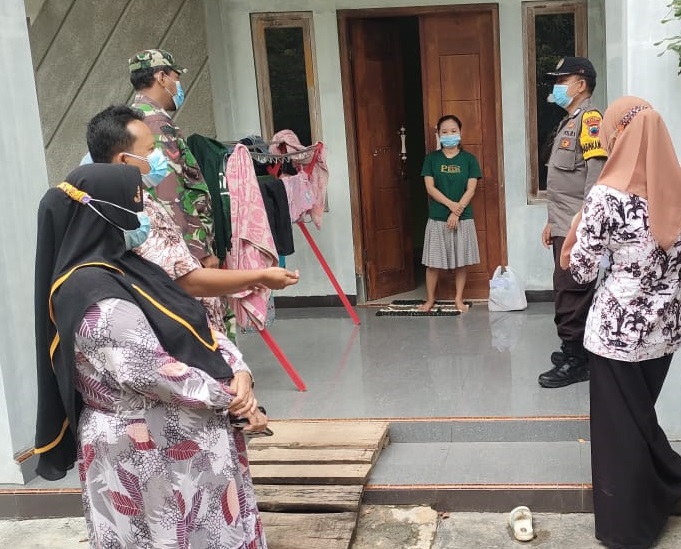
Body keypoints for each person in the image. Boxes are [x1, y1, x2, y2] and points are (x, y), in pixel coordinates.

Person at [33, 163, 268, 548]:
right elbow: (149, 371)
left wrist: (239, 372)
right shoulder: (91, 293)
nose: (143, 217)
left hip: (188, 442)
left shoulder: (133, 269)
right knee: (163, 533)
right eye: (135, 206)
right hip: (145, 451)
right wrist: (232, 397)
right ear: (107, 214)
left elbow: (198, 324)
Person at [561, 96, 681, 549]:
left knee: (621, 433)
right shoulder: (678, 190)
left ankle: (628, 528)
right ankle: (666, 489)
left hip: (615, 334)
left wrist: (575, 233)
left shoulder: (606, 196)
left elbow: (581, 271)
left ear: (618, 135)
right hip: (665, 332)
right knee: (639, 420)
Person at [86, 105, 299, 336]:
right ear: (124, 160)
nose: (160, 157)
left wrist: (247, 279)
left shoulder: (134, 198)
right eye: (150, 150)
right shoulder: (127, 211)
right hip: (174, 334)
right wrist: (260, 275)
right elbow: (187, 281)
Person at [538, 56, 607, 388]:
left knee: (571, 291)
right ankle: (574, 350)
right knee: (566, 288)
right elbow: (563, 184)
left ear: (580, 84)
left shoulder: (590, 120)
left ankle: (577, 361)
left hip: (577, 226)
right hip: (563, 223)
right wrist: (552, 222)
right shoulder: (569, 121)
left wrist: (584, 223)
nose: (557, 86)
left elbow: (595, 178)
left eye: (562, 80)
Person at [419, 114, 482, 313]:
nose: (449, 135)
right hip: (437, 217)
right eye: (444, 132)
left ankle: (458, 299)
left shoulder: (469, 160)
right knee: (433, 263)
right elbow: (430, 188)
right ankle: (430, 299)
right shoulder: (431, 159)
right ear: (438, 134)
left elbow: (471, 189)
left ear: (460, 132)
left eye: (453, 131)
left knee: (461, 262)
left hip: (463, 218)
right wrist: (450, 205)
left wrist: (457, 212)